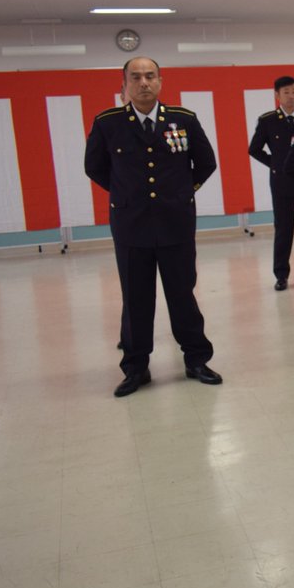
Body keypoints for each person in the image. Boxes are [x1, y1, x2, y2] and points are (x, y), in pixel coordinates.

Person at [85, 57, 223, 397]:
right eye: (136, 77)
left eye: (150, 76)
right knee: (136, 299)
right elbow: (95, 167)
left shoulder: (182, 120)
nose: (144, 82)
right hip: (131, 226)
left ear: (160, 81)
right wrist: (126, 195)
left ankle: (196, 360)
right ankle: (135, 368)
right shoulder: (108, 123)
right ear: (125, 84)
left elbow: (206, 163)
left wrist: (180, 193)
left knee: (182, 295)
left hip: (175, 223)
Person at [248, 75, 294, 291]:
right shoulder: (268, 120)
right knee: (283, 229)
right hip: (281, 182)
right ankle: (281, 275)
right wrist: (275, 164)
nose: (291, 96)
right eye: (286, 92)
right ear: (277, 95)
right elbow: (254, 149)